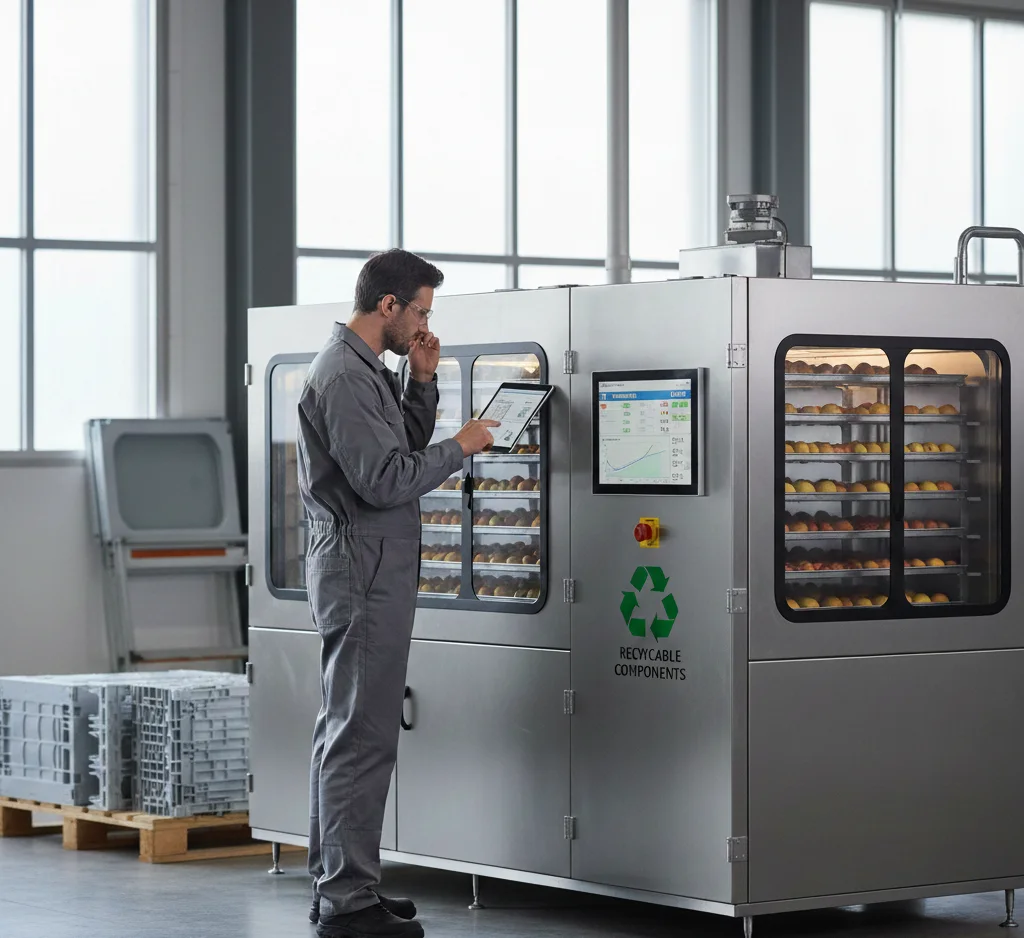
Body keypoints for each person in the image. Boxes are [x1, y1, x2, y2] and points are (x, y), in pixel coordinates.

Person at [297, 249, 498, 938]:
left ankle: (342, 887)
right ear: (387, 305)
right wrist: (463, 447)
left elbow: (398, 447)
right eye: (419, 311)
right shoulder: (343, 378)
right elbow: (386, 480)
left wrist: (422, 381)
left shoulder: (367, 372)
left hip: (369, 563)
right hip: (364, 567)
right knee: (363, 735)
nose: (421, 324)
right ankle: (347, 903)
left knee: (346, 730)